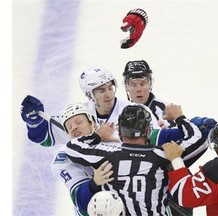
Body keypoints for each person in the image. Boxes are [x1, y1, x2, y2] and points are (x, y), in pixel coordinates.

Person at [64, 103, 210, 215]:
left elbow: (72, 147)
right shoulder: (163, 154)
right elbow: (199, 140)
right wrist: (179, 117)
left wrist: (98, 136)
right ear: (148, 131)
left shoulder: (106, 154)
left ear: (120, 132)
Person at [20, 65, 160, 147]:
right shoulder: (77, 115)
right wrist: (34, 121)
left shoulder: (137, 111)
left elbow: (156, 142)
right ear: (89, 95)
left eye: (110, 88)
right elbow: (43, 137)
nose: (108, 94)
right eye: (101, 90)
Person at [51, 103, 117, 216]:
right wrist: (94, 183)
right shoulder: (63, 158)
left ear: (93, 123)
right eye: (69, 127)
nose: (74, 127)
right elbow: (82, 203)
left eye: (79, 122)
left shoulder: (114, 138)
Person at [123, 60, 176, 128]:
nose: (138, 89)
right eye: (133, 84)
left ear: (150, 84)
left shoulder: (162, 108)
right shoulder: (122, 110)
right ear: (126, 87)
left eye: (142, 84)